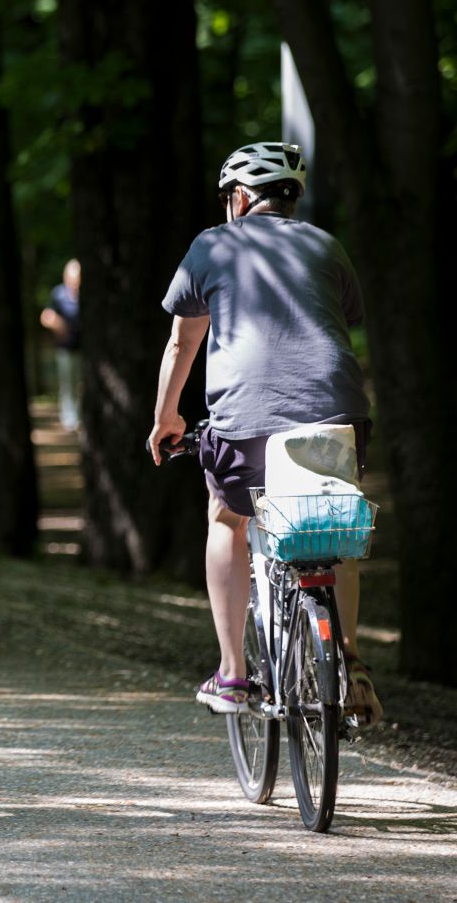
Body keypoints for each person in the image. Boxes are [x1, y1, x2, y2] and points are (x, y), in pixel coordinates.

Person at [147, 142, 381, 725]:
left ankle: (231, 674)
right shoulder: (326, 244)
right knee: (332, 519)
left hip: (244, 421)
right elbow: (344, 315)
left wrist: (167, 417)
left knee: (227, 518)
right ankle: (349, 660)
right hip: (337, 411)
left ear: (242, 197)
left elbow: (184, 341)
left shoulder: (212, 244)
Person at [39, 259, 82, 431]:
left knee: (81, 384)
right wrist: (58, 324)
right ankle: (69, 419)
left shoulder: (86, 294)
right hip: (65, 348)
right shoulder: (58, 294)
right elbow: (46, 316)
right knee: (67, 384)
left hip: (83, 347)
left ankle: (80, 417)